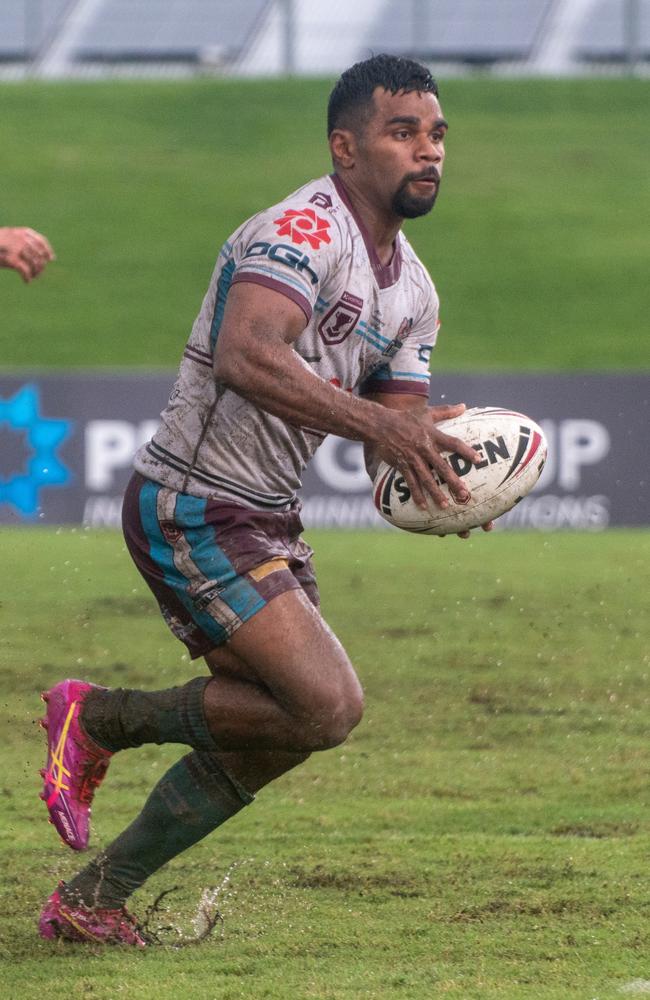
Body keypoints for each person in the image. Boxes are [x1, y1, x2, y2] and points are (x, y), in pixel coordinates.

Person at [38, 53, 488, 947]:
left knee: (283, 731)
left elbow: (383, 439)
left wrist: (445, 474)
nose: (427, 151)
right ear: (346, 147)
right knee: (328, 707)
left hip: (267, 516)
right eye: (403, 133)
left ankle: (93, 897)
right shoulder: (302, 229)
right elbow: (248, 353)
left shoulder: (415, 292)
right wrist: (383, 424)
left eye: (437, 134)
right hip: (194, 501)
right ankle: (99, 716)